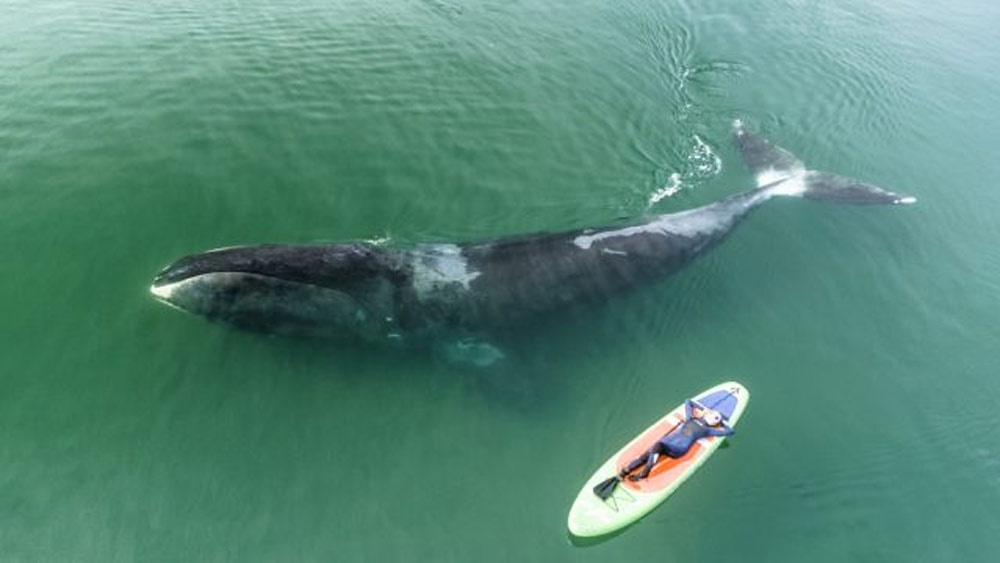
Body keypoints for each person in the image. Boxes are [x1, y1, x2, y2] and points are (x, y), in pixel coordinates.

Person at [619, 399, 734, 481]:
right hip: (674, 447)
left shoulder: (690, 419)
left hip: (676, 449)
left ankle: (642, 472)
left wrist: (703, 409)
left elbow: (688, 401)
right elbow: (730, 431)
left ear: (706, 416)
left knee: (656, 446)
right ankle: (629, 470)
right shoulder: (708, 430)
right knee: (652, 451)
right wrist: (721, 423)